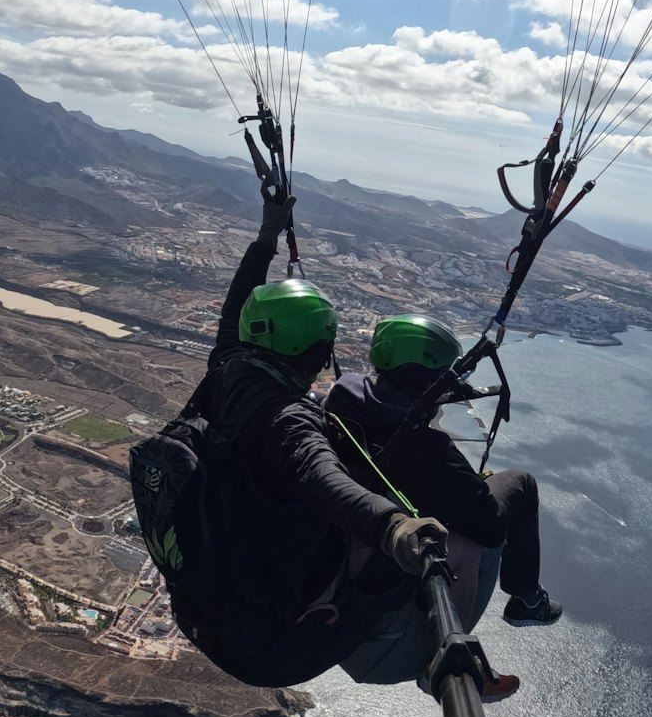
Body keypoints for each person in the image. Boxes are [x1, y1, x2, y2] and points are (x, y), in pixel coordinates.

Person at [168, 196, 450, 688]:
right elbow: (323, 478)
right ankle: (434, 660)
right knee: (388, 565)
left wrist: (266, 235)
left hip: (200, 614)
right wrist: (397, 531)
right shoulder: (288, 421)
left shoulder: (227, 369)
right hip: (268, 652)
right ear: (317, 351)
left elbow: (237, 305)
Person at [325, 314, 563, 628]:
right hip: (384, 553)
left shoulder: (343, 396)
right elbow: (489, 527)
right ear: (425, 382)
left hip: (357, 519)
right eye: (441, 380)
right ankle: (528, 599)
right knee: (522, 483)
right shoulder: (424, 449)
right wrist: (470, 486)